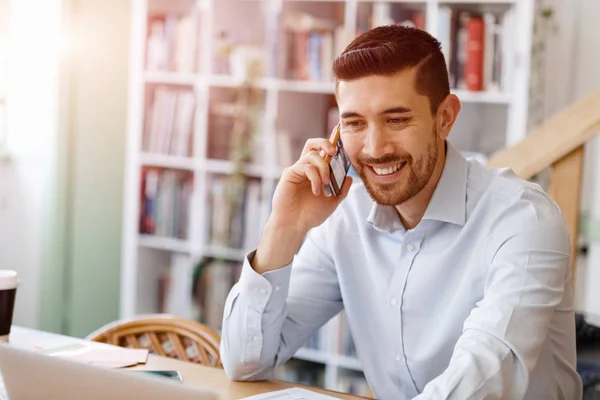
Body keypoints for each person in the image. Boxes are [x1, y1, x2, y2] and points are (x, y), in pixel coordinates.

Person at [219, 25, 583, 399]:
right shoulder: (347, 220)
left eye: (396, 119)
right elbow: (245, 362)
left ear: (445, 117)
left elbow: (482, 379)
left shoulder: (523, 220)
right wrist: (284, 226)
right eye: (355, 123)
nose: (375, 148)